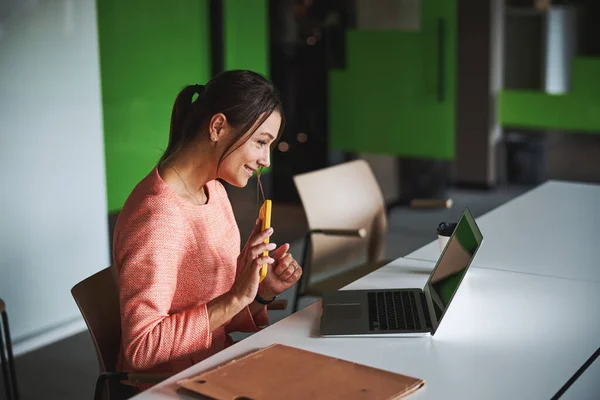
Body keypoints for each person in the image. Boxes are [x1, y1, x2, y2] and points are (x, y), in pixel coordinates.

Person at [112, 70, 303, 382]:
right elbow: (142, 347)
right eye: (260, 142)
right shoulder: (157, 217)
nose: (266, 159)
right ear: (217, 127)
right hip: (171, 384)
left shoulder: (211, 190)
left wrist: (259, 293)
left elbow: (215, 316)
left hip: (215, 365)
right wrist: (237, 297)